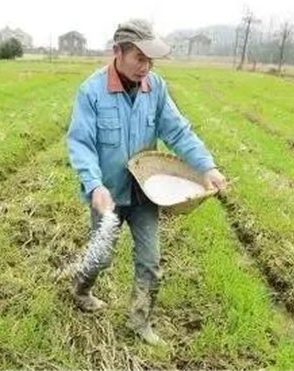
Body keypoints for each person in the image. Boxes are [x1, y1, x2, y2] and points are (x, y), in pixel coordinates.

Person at [66, 19, 227, 346]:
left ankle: (140, 322)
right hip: (108, 197)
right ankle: (81, 289)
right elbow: (80, 143)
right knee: (101, 257)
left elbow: (178, 132)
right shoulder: (92, 91)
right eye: (139, 58)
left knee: (150, 262)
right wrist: (94, 185)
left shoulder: (155, 87)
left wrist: (207, 167)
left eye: (151, 59)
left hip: (146, 195)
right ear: (118, 52)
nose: (146, 66)